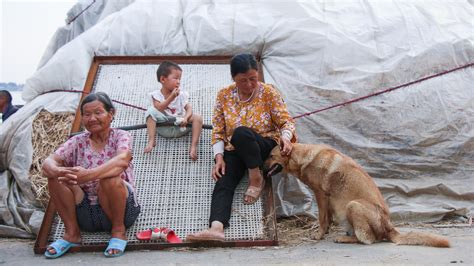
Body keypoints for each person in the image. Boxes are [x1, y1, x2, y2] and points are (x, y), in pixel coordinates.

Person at [186, 53, 296, 242]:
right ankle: (217, 228)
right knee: (223, 181)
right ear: (233, 78)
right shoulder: (224, 95)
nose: (249, 84)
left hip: (263, 144)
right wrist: (219, 158)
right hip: (235, 149)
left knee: (241, 133)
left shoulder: (268, 92)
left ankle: (256, 177)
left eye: (253, 78)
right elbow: (218, 130)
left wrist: (286, 138)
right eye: (243, 80)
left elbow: (286, 122)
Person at [42, 92, 140, 258]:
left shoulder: (120, 136)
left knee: (109, 177)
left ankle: (118, 231)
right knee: (56, 177)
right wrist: (58, 171)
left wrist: (87, 175)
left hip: (121, 212)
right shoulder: (77, 141)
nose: (92, 118)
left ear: (111, 113)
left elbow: (122, 160)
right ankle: (72, 234)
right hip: (86, 213)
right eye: (87, 115)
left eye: (98, 112)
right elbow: (47, 163)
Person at [144, 61, 203, 160]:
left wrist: (186, 117)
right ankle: (151, 140)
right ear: (163, 79)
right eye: (175, 78)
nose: (178, 81)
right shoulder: (156, 95)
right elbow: (159, 108)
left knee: (198, 117)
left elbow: (189, 108)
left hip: (180, 126)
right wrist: (171, 97)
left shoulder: (182, 94)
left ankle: (193, 146)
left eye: (179, 79)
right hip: (163, 126)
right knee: (150, 112)